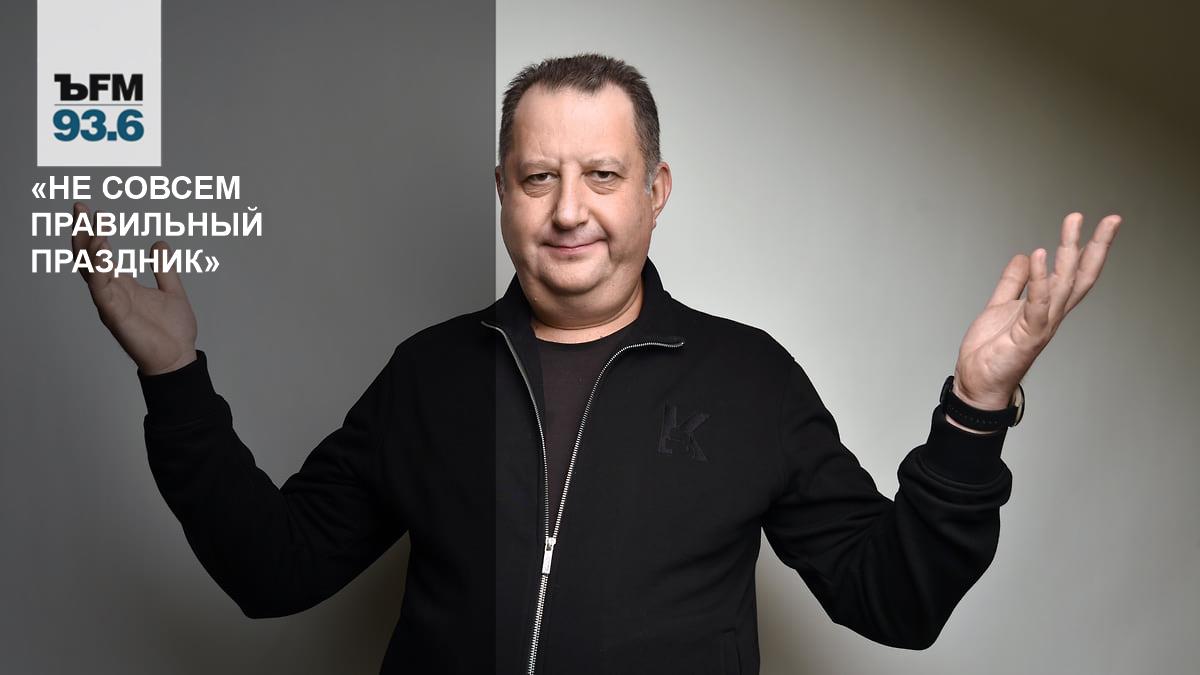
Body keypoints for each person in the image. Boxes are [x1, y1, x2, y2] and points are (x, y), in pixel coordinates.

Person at [70, 54, 1121, 674]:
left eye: (603, 175)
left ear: (655, 191)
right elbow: (273, 571)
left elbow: (896, 601)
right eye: (538, 177)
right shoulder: (428, 376)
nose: (568, 210)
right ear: (501, 191)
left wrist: (976, 409)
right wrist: (175, 378)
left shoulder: (750, 381)